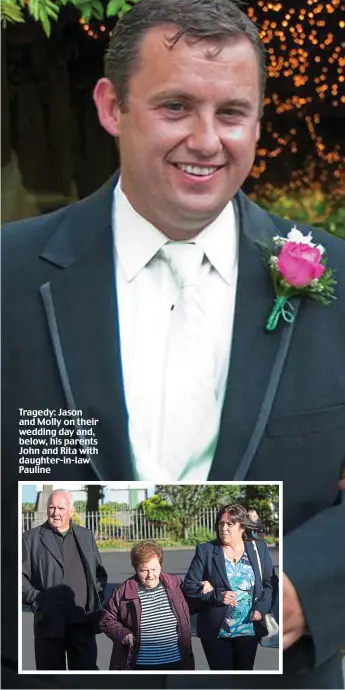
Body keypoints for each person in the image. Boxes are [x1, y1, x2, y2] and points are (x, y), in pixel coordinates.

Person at [2, 0, 345, 687]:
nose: (206, 139)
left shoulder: (336, 279)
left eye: (230, 113)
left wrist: (310, 586)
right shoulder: (9, 275)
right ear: (110, 106)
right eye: (174, 107)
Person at [22, 489, 107, 670]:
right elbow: (18, 577)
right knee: (50, 681)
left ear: (71, 510)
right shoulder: (30, 539)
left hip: (82, 623)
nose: (56, 513)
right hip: (49, 625)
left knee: (86, 678)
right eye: (52, 507)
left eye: (61, 508)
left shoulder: (85, 536)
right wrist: (38, 601)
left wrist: (94, 598)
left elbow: (99, 573)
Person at [182, 504, 274, 671]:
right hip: (216, 631)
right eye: (221, 523)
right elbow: (188, 586)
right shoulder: (207, 551)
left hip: (248, 629)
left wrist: (261, 608)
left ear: (242, 527)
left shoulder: (258, 548)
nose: (224, 528)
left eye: (229, 524)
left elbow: (269, 582)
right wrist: (216, 595)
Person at [99, 540, 194, 671]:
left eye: (154, 569)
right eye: (144, 570)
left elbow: (197, 603)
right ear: (136, 568)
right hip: (141, 666)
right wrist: (123, 634)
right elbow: (106, 619)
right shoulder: (123, 592)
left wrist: (206, 589)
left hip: (177, 663)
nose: (150, 575)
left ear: (161, 565)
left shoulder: (176, 585)